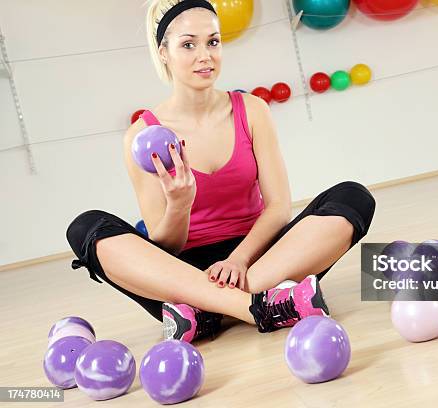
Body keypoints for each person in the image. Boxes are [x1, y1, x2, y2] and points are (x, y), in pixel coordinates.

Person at [66, 0, 376, 343]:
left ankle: (204, 313)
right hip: (184, 273)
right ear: (163, 52)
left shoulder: (252, 110)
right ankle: (260, 306)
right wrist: (180, 204)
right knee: (85, 228)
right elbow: (163, 247)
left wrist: (239, 260)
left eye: (213, 42)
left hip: (261, 258)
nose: (205, 55)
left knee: (353, 196)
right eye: (188, 44)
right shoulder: (141, 137)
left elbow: (277, 208)